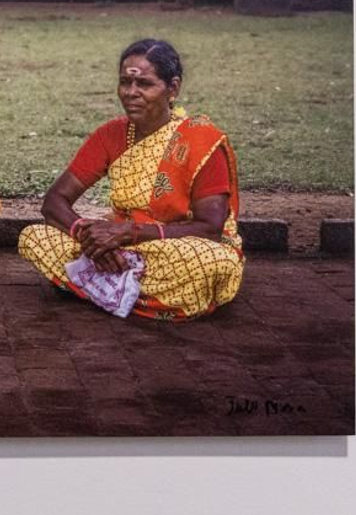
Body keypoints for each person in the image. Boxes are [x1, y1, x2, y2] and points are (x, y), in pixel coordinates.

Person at [17, 39, 244, 321]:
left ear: (173, 88)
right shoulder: (111, 135)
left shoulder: (201, 140)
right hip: (117, 247)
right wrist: (90, 240)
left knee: (211, 263)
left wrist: (130, 233)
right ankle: (135, 294)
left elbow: (210, 229)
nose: (131, 93)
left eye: (144, 84)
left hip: (175, 246)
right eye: (125, 82)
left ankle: (98, 287)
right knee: (35, 238)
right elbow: (54, 201)